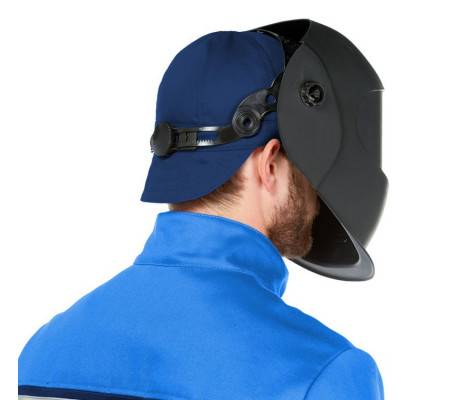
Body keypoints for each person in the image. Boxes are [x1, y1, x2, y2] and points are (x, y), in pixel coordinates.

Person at [19, 22, 385, 400]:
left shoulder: (39, 355)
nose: (313, 199)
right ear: (270, 164)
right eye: (305, 172)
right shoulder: (321, 374)